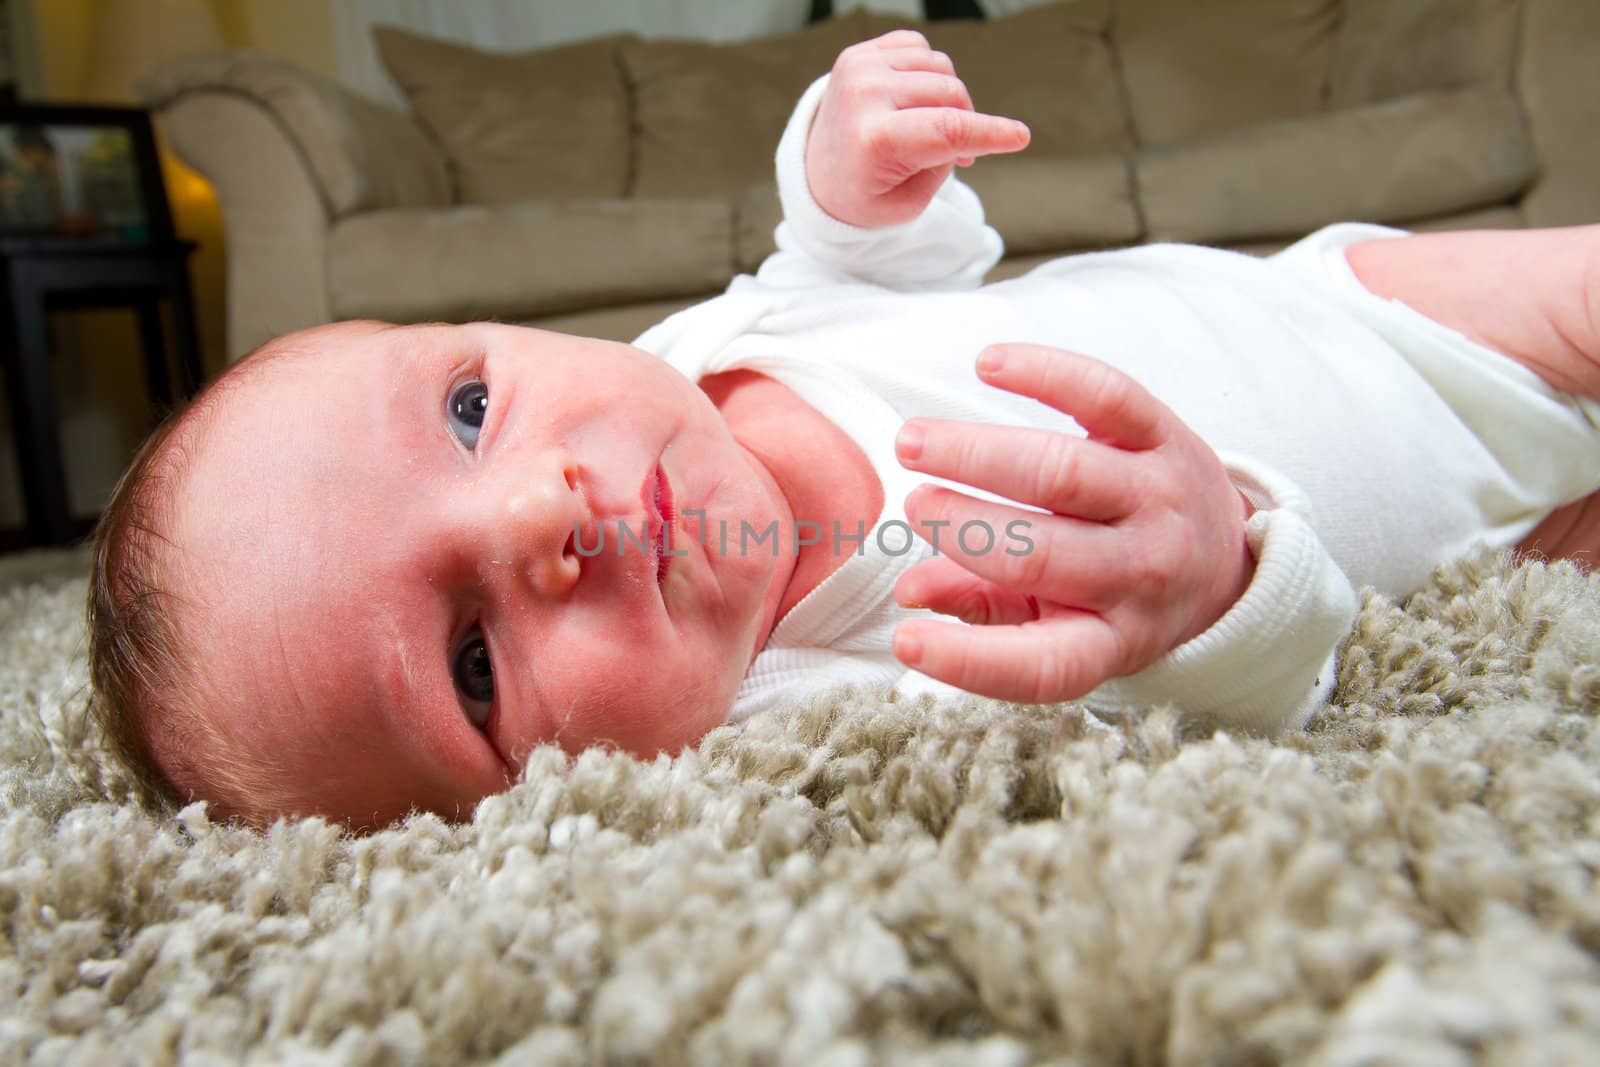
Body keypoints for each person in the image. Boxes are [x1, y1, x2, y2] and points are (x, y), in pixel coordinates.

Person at [86, 32, 1600, 830]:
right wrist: (1214, 594)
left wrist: (839, 169)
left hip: (1351, 310)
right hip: (1435, 529)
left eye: (472, 411)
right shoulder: (820, 710)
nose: (541, 517)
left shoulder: (700, 358)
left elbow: (856, 272)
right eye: (473, 662)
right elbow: (1203, 712)